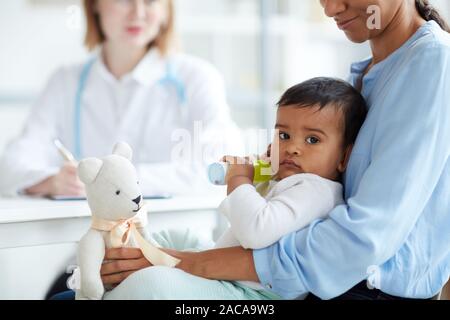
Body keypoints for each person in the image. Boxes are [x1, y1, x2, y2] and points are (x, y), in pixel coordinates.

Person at [96, 0, 450, 300]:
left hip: (361, 293)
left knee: (148, 289)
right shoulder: (369, 74)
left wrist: (187, 263)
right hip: (313, 284)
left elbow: (362, 239)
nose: (329, 9)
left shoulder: (432, 64)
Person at [98, 77, 367, 300]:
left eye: (312, 139)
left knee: (154, 286)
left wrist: (240, 179)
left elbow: (255, 231)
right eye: (284, 135)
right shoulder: (289, 179)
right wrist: (261, 171)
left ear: (344, 157)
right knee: (175, 236)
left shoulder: (316, 190)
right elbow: (259, 207)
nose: (293, 147)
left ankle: (113, 290)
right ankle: (122, 267)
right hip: (229, 275)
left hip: (251, 296)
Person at [0, 0, 240, 198]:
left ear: (166, 10)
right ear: (94, 5)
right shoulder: (65, 82)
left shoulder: (197, 78)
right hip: (88, 238)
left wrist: (112, 182)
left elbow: (219, 167)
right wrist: (51, 182)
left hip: (177, 240)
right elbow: (12, 163)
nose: (138, 12)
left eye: (150, 1)